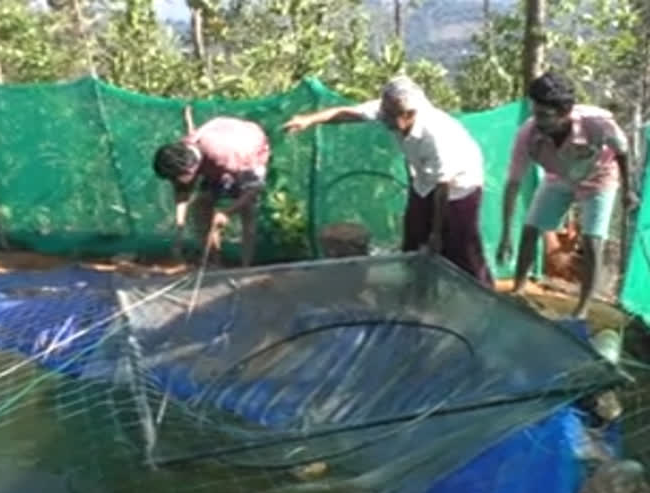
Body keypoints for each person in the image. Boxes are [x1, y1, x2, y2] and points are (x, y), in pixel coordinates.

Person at [282, 75, 494, 287]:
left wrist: (436, 233)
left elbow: (442, 187)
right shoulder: (389, 109)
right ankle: (417, 291)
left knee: (461, 245)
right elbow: (347, 114)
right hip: (422, 179)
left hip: (459, 184)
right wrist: (309, 120)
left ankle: (485, 294)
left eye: (390, 116)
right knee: (414, 238)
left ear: (408, 114)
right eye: (384, 112)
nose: (384, 120)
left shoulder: (436, 135)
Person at [496, 71, 637, 319]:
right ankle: (518, 291)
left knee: (593, 241)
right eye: (535, 111)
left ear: (564, 113)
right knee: (530, 230)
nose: (538, 120)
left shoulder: (596, 124)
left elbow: (622, 151)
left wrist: (628, 191)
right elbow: (513, 183)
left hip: (599, 179)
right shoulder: (528, 134)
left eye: (545, 115)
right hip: (559, 178)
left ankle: (581, 309)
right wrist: (506, 234)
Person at [153, 106, 271, 267]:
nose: (175, 182)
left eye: (178, 178)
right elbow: (182, 191)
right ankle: (214, 262)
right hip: (218, 141)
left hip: (250, 147)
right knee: (201, 206)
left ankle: (245, 267)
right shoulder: (183, 152)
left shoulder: (233, 155)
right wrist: (179, 229)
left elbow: (254, 188)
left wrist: (226, 212)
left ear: (190, 171)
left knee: (248, 211)